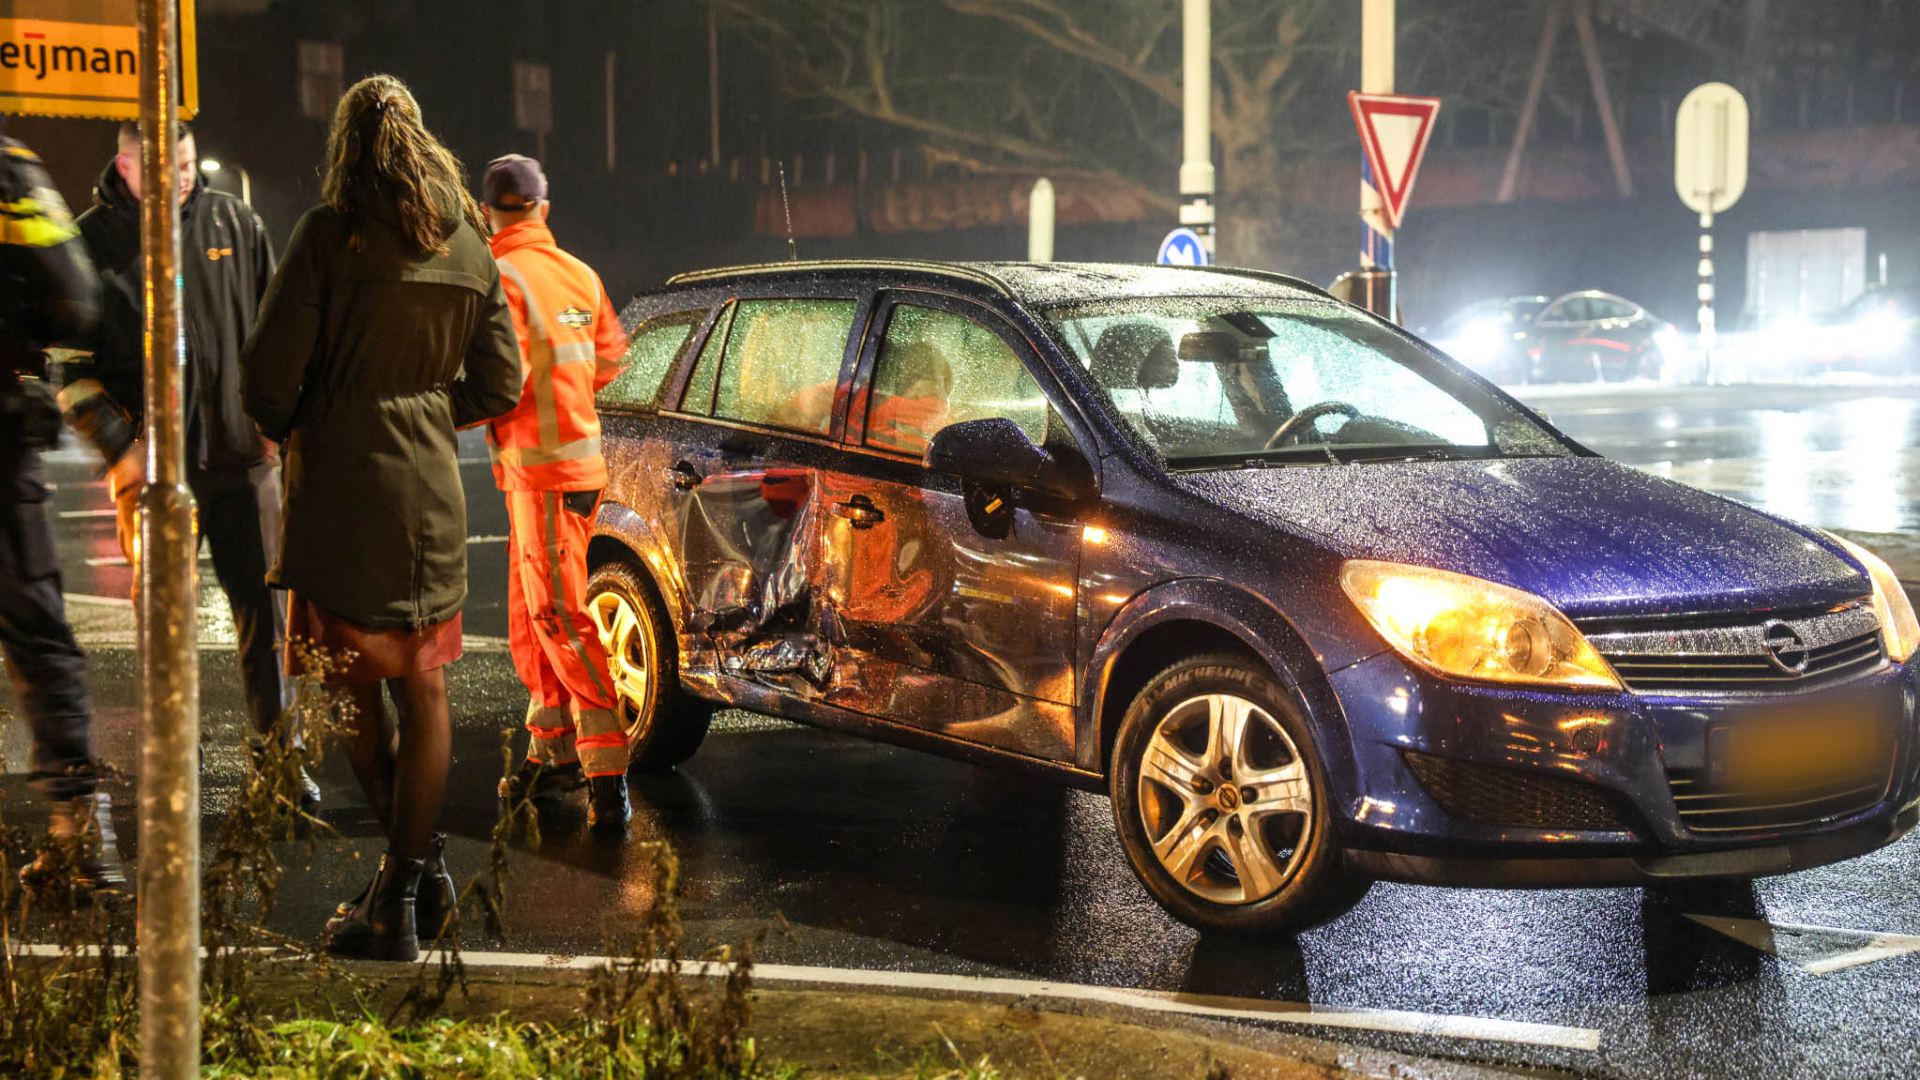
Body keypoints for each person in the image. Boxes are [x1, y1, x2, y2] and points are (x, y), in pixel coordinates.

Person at [240, 75, 521, 961]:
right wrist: (429, 404)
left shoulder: (329, 236)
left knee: (351, 682)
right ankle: (418, 881)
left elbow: (266, 380)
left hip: (342, 490)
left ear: (346, 147)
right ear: (421, 141)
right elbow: (501, 382)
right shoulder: (468, 239)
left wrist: (312, 414)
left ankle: (401, 894)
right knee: (423, 683)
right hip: (430, 491)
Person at [58, 121, 313, 807]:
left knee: (266, 613)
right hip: (153, 475)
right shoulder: (92, 241)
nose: (182, 181)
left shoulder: (233, 218)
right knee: (165, 626)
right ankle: (176, 759)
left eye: (190, 166)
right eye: (165, 170)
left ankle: (280, 761)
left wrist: (274, 428)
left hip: (242, 459)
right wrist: (122, 444)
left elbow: (275, 328)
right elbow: (69, 370)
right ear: (126, 165)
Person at [479, 155, 634, 837]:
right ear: (543, 207)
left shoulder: (497, 276)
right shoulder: (579, 273)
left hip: (539, 471)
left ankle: (606, 768)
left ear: (490, 212)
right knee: (530, 613)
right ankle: (553, 752)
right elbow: (607, 362)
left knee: (558, 618)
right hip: (574, 467)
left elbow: (492, 381)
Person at [0, 131, 124, 891]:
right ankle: (81, 832)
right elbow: (74, 301)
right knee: (37, 626)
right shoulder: (10, 167)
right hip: (5, 433)